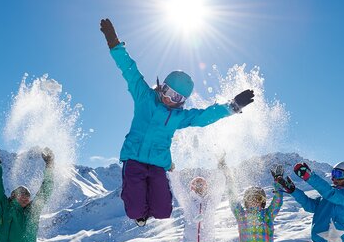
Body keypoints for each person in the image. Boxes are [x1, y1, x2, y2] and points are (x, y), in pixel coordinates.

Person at [100, 18, 255, 227]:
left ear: (182, 101)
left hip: (158, 163)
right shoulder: (144, 97)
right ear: (162, 87)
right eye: (169, 93)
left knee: (164, 211)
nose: (170, 100)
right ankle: (139, 211)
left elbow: (204, 116)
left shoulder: (178, 117)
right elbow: (129, 70)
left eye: (177, 98)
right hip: (134, 159)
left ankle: (150, 203)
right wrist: (114, 42)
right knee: (135, 210)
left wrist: (233, 106)